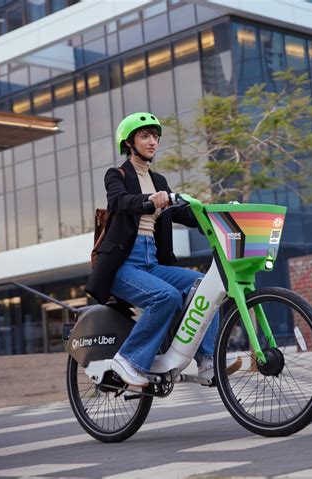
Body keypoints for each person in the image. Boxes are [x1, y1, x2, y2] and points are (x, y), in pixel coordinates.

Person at [85, 112, 219, 387]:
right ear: (129, 142)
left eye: (155, 136)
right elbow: (121, 202)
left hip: (152, 263)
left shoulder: (160, 181)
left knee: (206, 287)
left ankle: (207, 359)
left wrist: (217, 215)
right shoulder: (117, 175)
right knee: (166, 297)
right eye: (145, 135)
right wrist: (150, 201)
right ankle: (129, 360)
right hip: (123, 265)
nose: (152, 141)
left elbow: (183, 214)